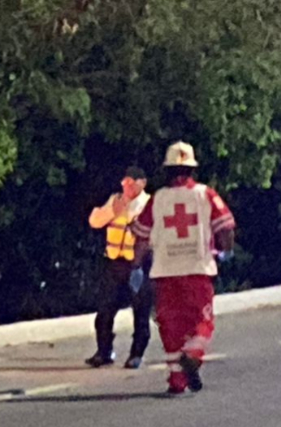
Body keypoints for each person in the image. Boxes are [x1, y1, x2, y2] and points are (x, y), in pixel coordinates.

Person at [131, 142, 237, 395]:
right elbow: (226, 227)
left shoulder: (157, 199)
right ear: (192, 169)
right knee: (201, 320)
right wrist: (226, 251)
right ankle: (192, 355)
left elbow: (142, 237)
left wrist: (135, 267)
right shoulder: (205, 194)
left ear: (167, 170)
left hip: (165, 274)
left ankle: (177, 380)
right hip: (197, 270)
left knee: (171, 326)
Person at [86, 166, 153, 369]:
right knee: (104, 311)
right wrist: (112, 210)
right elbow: (95, 221)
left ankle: (136, 354)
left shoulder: (149, 204)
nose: (127, 187)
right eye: (125, 182)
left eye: (132, 183)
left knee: (141, 312)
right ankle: (104, 351)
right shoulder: (115, 200)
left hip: (139, 265)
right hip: (115, 263)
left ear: (142, 183)